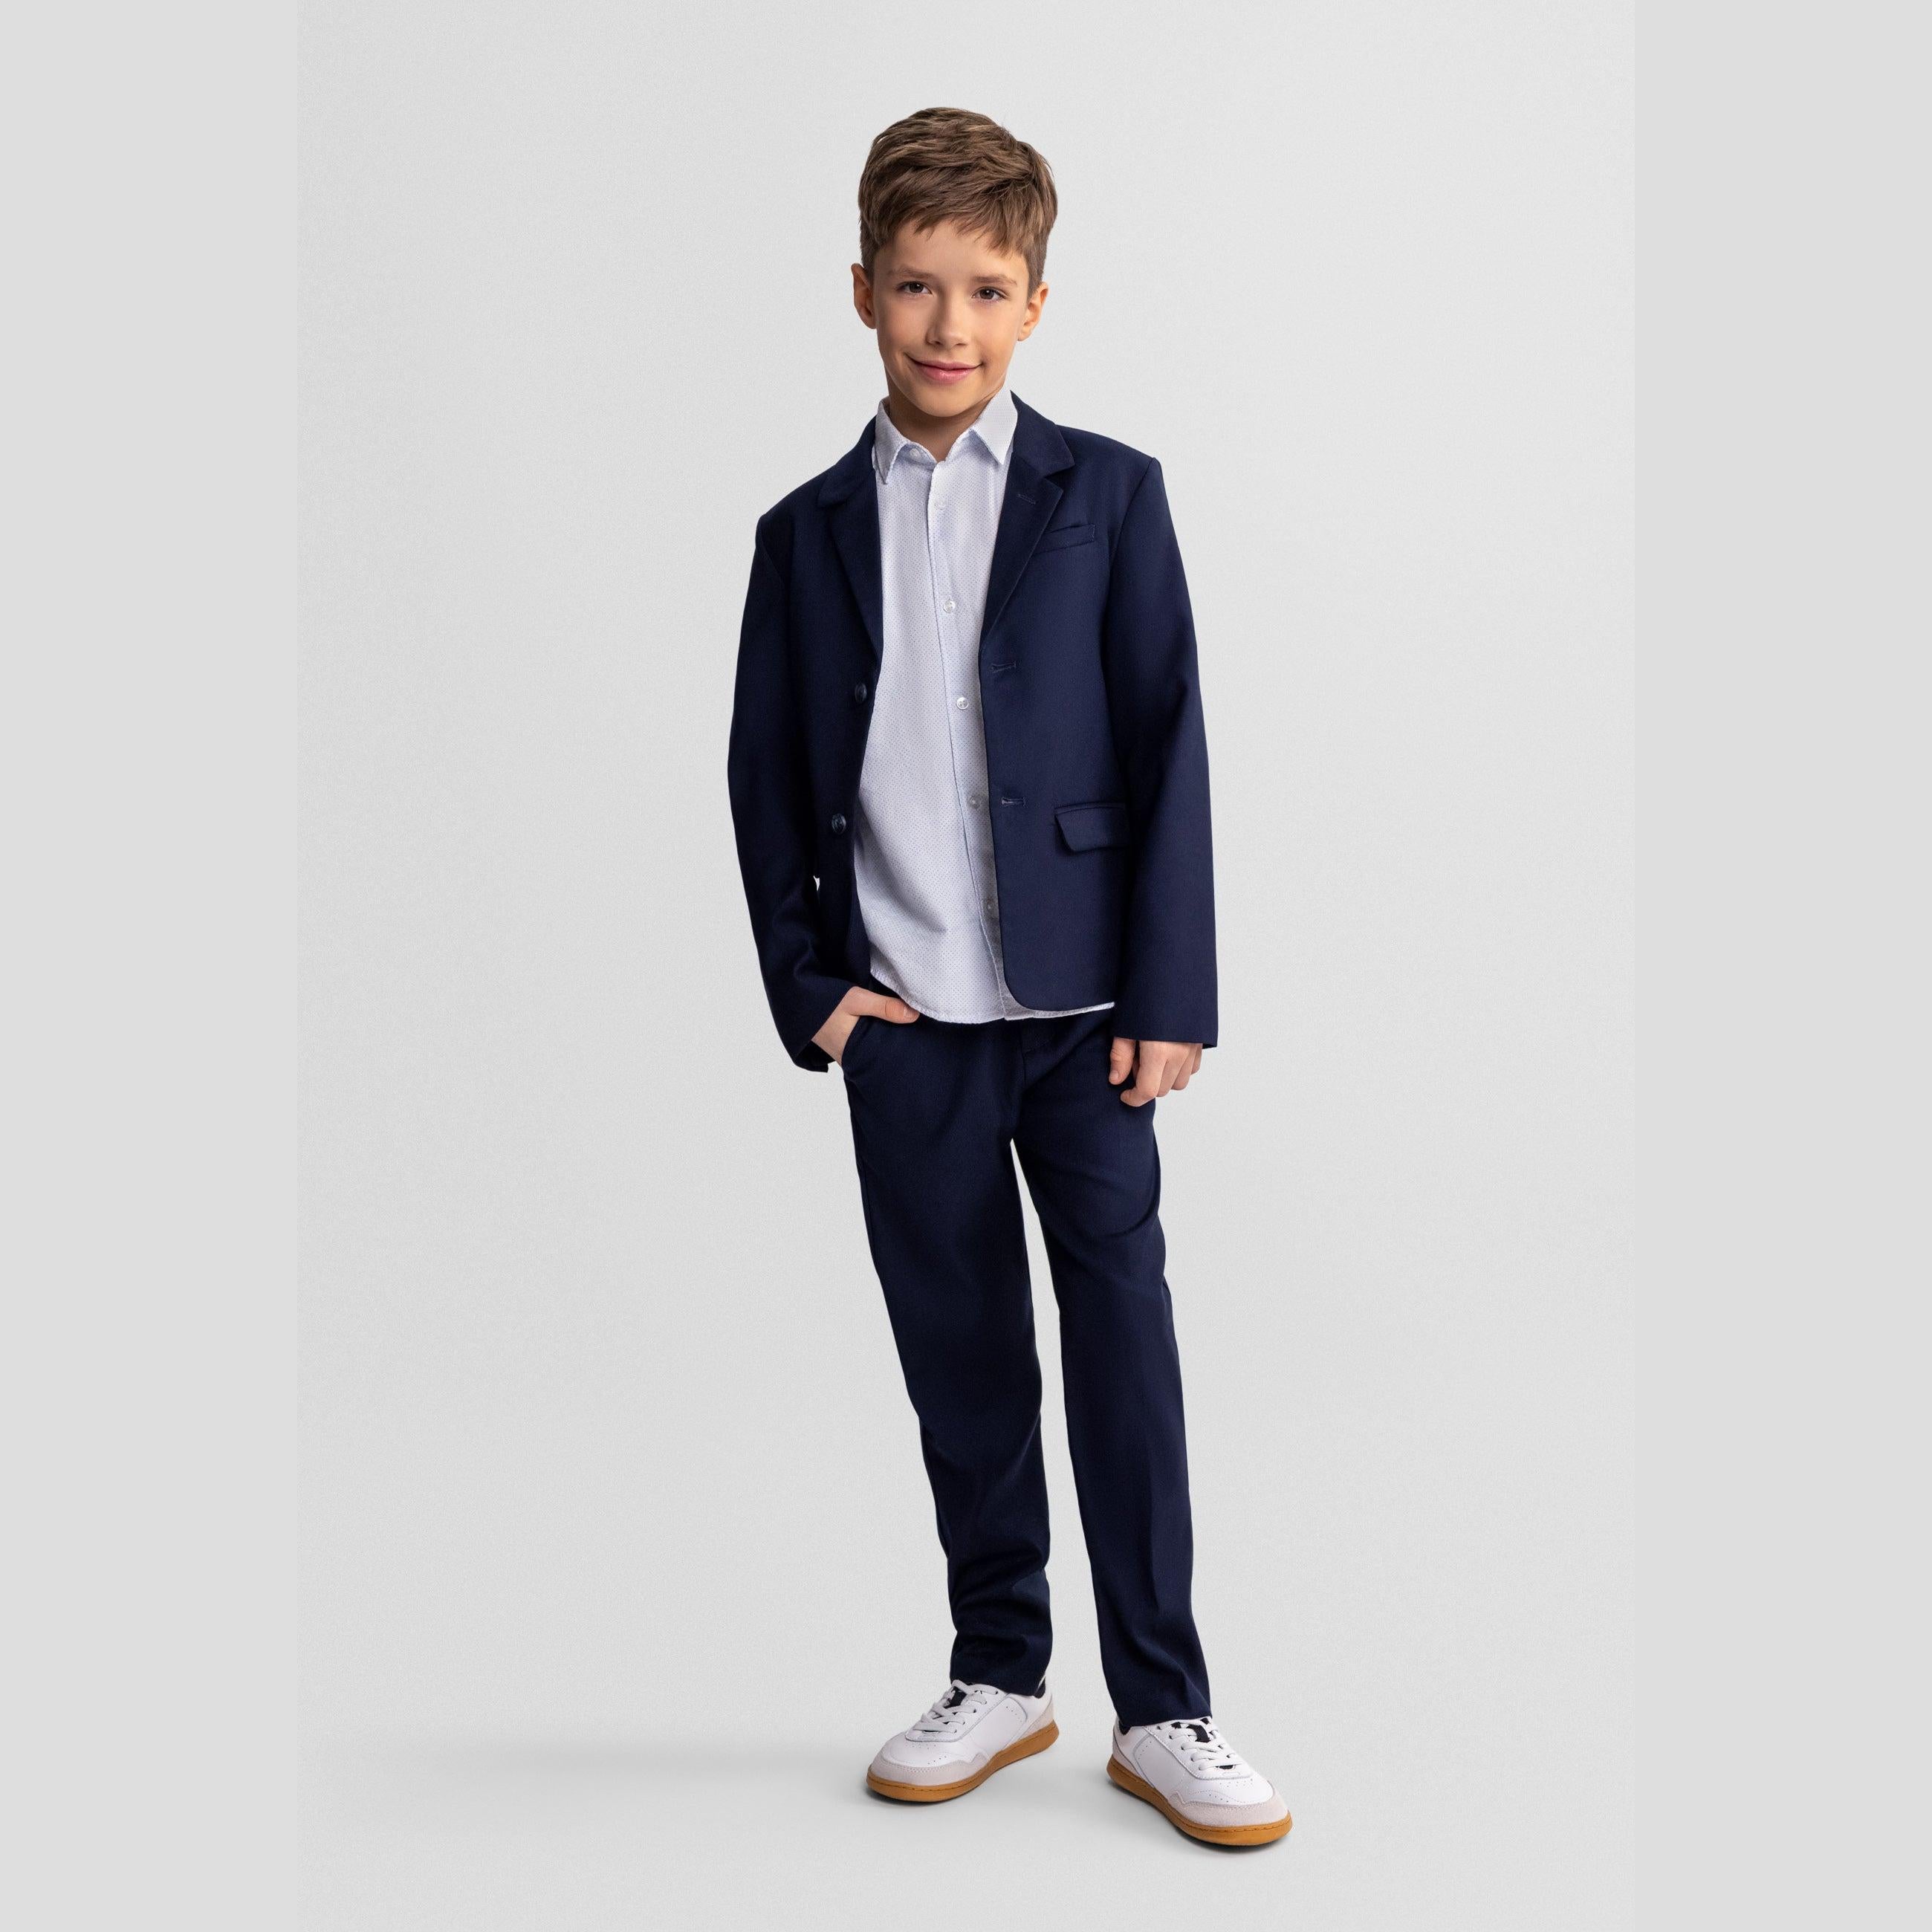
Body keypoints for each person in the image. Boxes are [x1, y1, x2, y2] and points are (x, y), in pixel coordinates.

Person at [724, 106, 1289, 1849]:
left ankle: (1167, 1704)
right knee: (960, 1351)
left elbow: (1170, 736)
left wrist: (1170, 992)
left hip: (1084, 1023)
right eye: (914, 287)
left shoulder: (1108, 496)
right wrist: (819, 995)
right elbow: (761, 776)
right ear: (861, 294)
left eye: (983, 289)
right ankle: (1000, 1668)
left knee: (1122, 1340)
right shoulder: (804, 532)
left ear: (1036, 303)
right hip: (907, 1028)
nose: (946, 326)